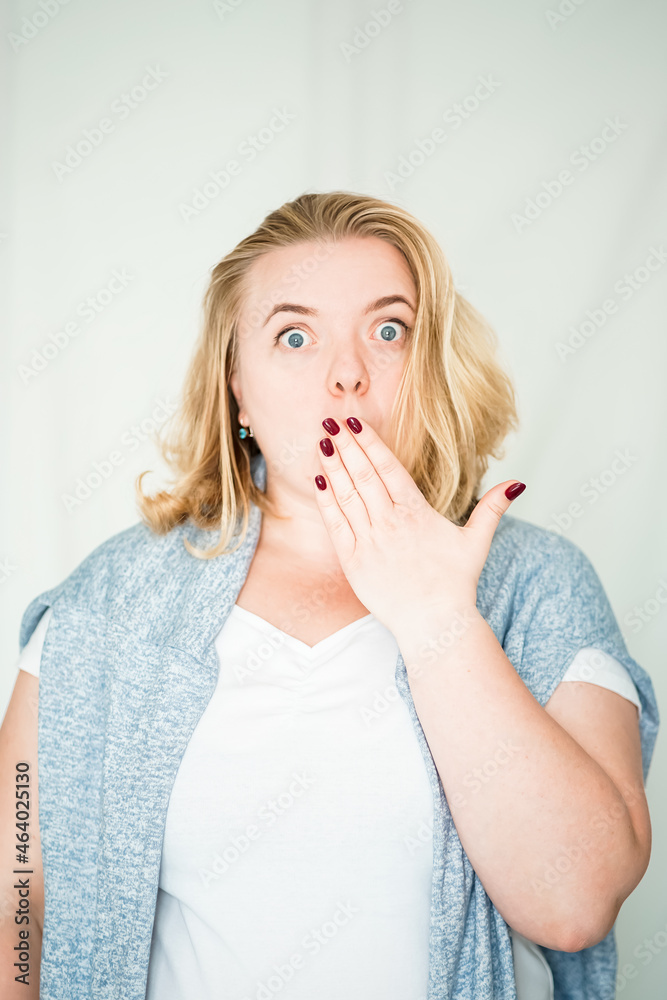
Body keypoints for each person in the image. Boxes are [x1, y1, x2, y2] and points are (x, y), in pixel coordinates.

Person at [0, 190, 659, 1000]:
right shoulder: (106, 603)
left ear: (431, 366)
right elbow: (16, 897)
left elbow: (574, 907)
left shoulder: (540, 584)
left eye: (389, 330)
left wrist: (438, 618)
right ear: (237, 387)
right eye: (294, 336)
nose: (347, 373)